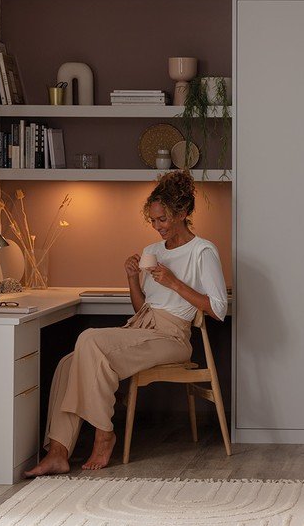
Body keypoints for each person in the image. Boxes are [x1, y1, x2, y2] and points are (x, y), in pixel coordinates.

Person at [25, 171, 227, 476]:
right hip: (141, 329)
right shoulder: (153, 251)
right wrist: (132, 278)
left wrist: (174, 283)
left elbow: (218, 310)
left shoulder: (203, 251)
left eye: (163, 219)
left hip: (172, 338)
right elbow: (142, 306)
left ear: (183, 213)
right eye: (153, 220)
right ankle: (58, 452)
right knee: (69, 363)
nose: (157, 227)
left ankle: (104, 433)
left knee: (89, 340)